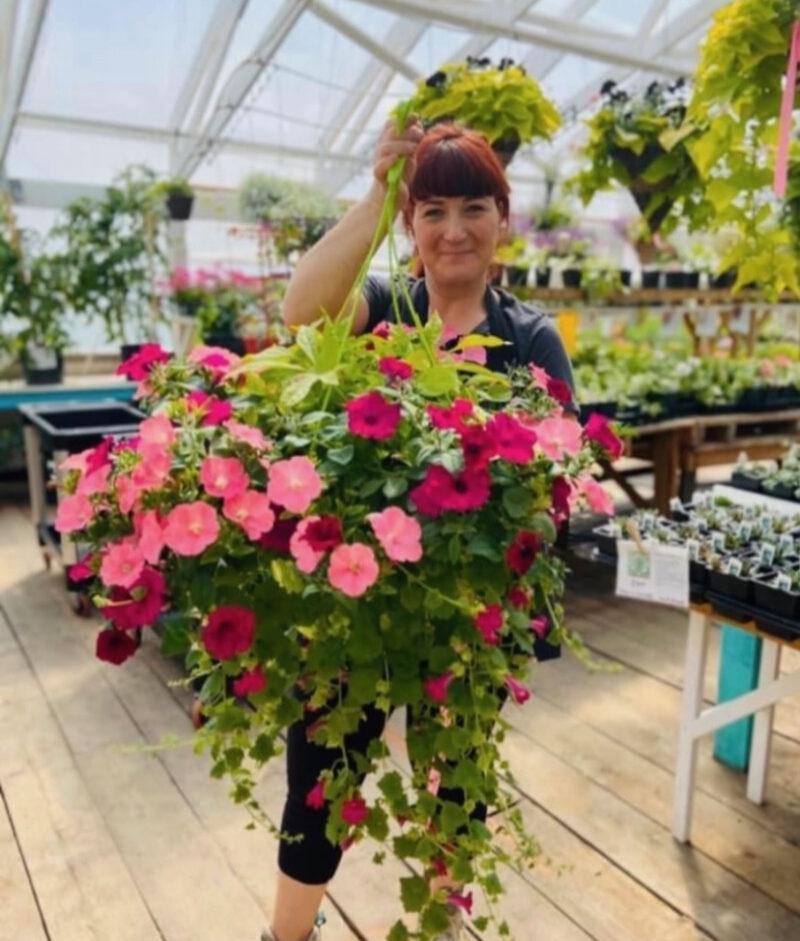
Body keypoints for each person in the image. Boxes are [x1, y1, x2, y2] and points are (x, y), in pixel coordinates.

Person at [265, 120, 577, 941]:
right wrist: (377, 189)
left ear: (502, 220)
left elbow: (555, 477)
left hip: (463, 611)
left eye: (474, 206)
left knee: (453, 786)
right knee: (318, 781)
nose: (453, 230)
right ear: (411, 225)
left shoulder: (529, 338)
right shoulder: (386, 306)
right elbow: (301, 309)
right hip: (355, 603)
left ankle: (436, 927)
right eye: (431, 209)